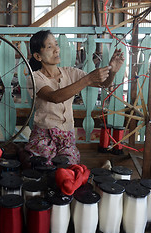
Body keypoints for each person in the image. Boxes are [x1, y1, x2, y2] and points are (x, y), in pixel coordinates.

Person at [23, 30, 125, 166]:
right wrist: (87, 79)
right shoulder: (35, 77)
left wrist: (112, 71)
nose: (56, 49)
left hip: (66, 138)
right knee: (43, 165)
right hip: (44, 136)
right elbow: (54, 97)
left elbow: (103, 84)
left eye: (56, 44)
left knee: (68, 166)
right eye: (49, 47)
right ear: (38, 56)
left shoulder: (70, 73)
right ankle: (26, 153)